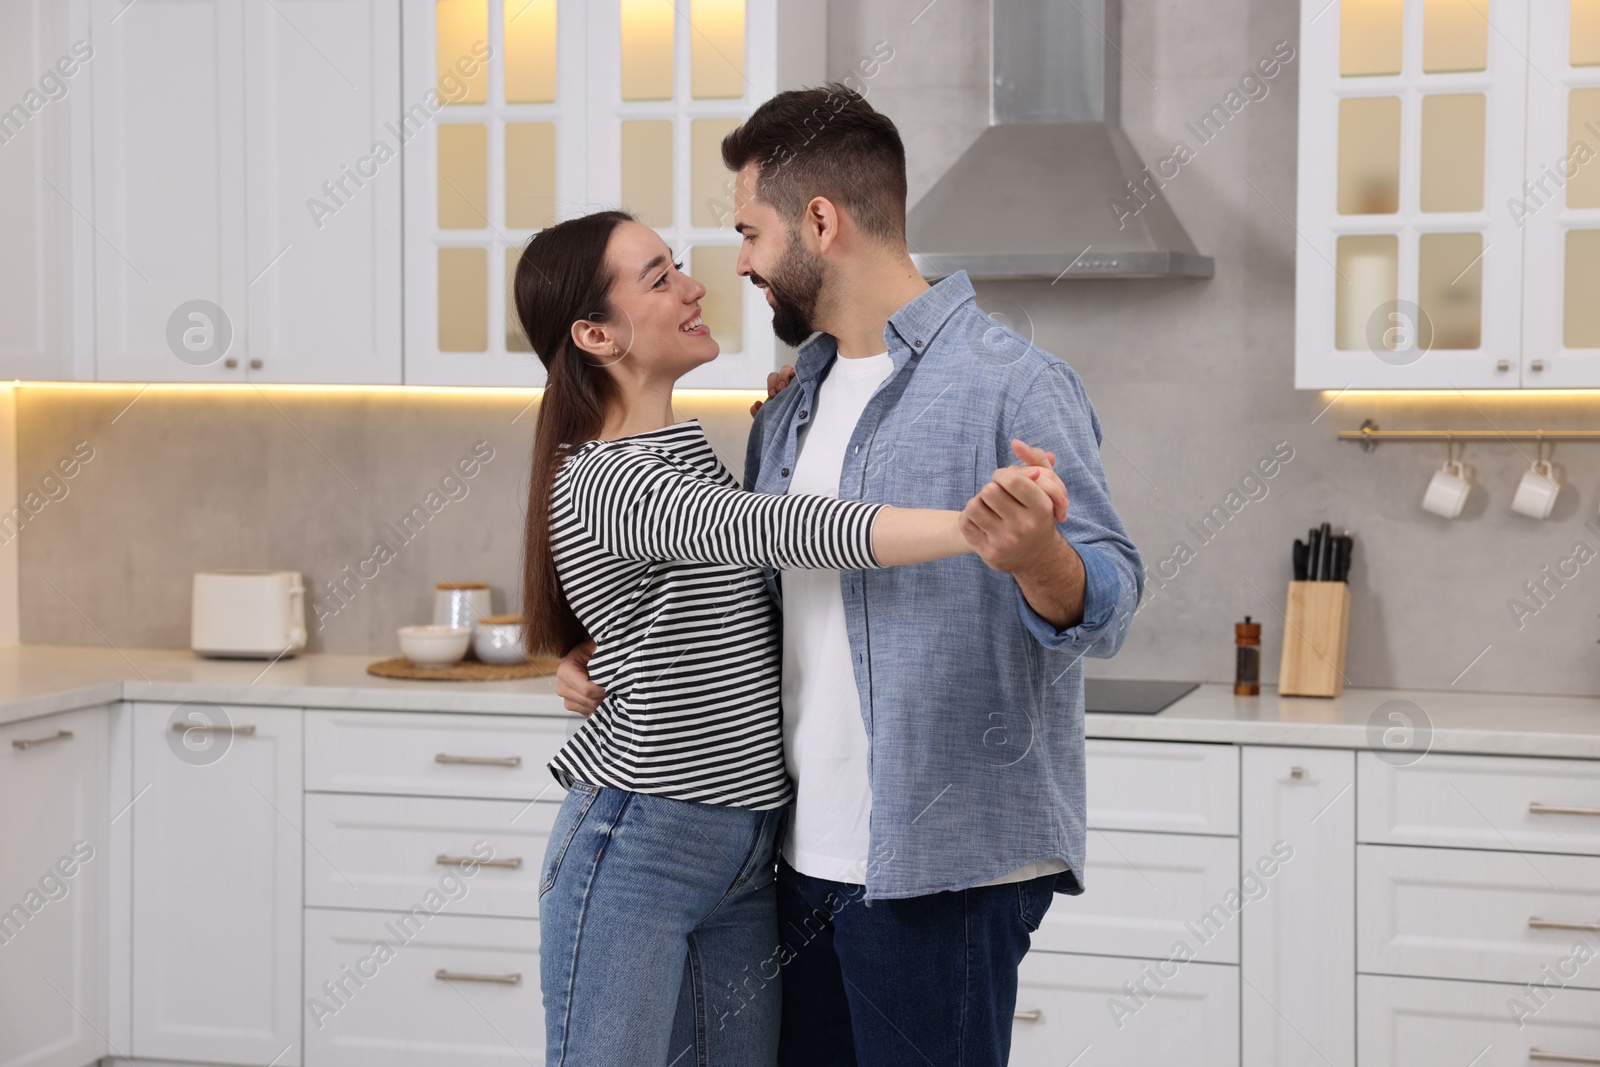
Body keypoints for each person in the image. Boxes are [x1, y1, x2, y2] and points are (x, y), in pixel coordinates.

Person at [556, 87, 1145, 1066]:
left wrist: (1039, 554)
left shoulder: (1009, 380)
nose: (737, 261)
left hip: (943, 867)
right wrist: (619, 651)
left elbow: (1112, 600)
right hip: (791, 860)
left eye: (748, 230)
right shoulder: (789, 410)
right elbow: (769, 606)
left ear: (820, 222)